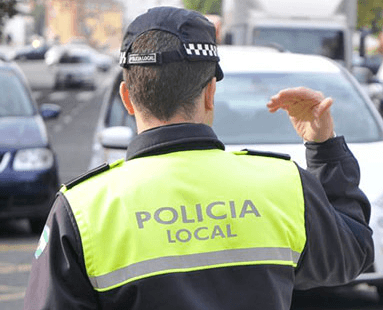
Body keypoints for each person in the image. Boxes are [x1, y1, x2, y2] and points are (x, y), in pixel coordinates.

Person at [24, 6, 374, 310]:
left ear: (127, 98)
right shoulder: (284, 185)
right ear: (210, 93)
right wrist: (324, 147)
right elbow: (354, 251)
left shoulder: (82, 210)